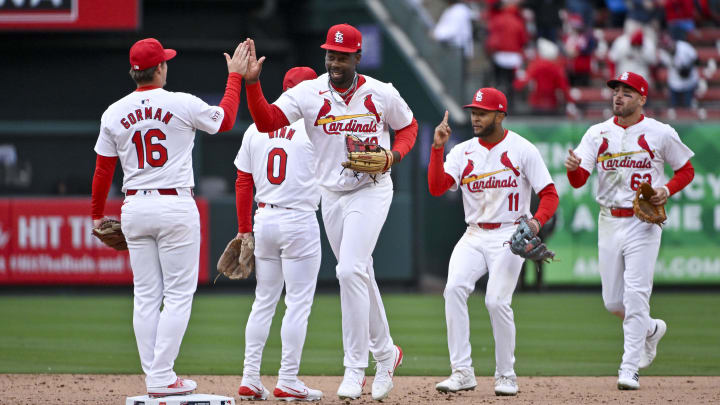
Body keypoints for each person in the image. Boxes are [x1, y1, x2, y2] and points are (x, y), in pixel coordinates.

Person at [239, 23, 418, 402]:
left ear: (358, 56)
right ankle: (387, 354)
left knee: (349, 269)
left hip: (371, 188)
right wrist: (253, 85)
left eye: (342, 55)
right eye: (330, 54)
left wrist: (393, 155)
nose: (334, 61)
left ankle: (355, 369)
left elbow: (408, 126)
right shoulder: (308, 92)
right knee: (360, 270)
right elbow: (267, 122)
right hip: (331, 195)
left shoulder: (381, 93)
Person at [90, 38, 247, 397]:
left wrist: (97, 216)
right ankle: (162, 376)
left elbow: (102, 171)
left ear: (134, 71)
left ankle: (157, 376)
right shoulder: (181, 102)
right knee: (177, 294)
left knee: (145, 295)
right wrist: (235, 77)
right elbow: (225, 120)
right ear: (160, 67)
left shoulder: (114, 112)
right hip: (174, 204)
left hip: (134, 206)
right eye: (165, 62)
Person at [565, 71, 695, 390]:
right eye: (615, 90)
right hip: (609, 219)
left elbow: (686, 170)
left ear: (642, 98)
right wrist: (573, 170)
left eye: (627, 91)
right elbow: (580, 179)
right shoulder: (597, 133)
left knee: (637, 295)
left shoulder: (660, 133)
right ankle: (650, 330)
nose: (618, 96)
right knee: (613, 302)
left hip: (643, 222)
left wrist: (667, 189)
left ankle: (629, 367)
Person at [428, 88, 559, 396]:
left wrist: (536, 222)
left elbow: (550, 194)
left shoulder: (522, 149)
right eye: (473, 111)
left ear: (500, 115)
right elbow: (437, 188)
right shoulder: (462, 151)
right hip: (473, 233)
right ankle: (462, 372)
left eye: (482, 112)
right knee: (454, 289)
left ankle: (506, 375)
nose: (475, 117)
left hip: (510, 233)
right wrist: (437, 149)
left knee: (496, 301)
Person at [233, 67, 323, 402]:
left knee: (263, 301)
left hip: (264, 219)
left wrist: (244, 230)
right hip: (299, 220)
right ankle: (287, 379)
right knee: (297, 304)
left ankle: (250, 377)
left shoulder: (257, 126)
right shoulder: (316, 129)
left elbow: (243, 182)